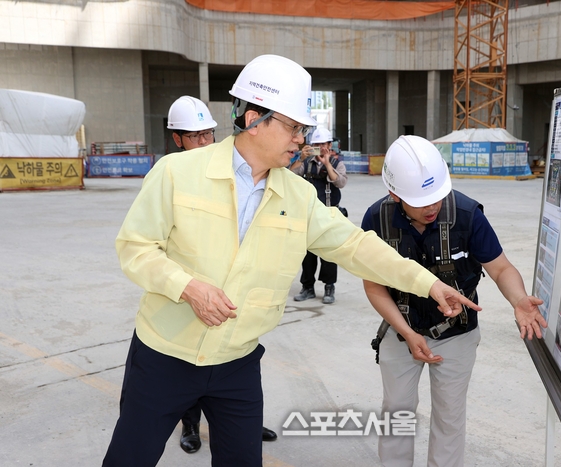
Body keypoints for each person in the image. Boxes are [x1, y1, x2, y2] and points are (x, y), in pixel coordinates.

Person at [103, 54, 476, 467]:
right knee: (129, 458)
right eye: (293, 127)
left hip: (237, 364)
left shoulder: (298, 196)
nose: (301, 139)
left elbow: (356, 246)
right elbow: (135, 248)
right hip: (163, 357)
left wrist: (428, 283)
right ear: (253, 119)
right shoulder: (177, 173)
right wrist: (187, 287)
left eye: (303, 129)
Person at [361, 135, 547, 467]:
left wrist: (518, 298)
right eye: (421, 201)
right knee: (397, 412)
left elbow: (501, 268)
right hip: (401, 330)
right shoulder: (376, 219)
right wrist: (407, 332)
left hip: (457, 334)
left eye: (437, 196)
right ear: (395, 194)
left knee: (449, 416)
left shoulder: (467, 214)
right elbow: (374, 286)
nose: (432, 207)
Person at [166, 96, 278, 454]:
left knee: (238, 367)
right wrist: (187, 287)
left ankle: (242, 423)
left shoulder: (233, 170)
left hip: (234, 301)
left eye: (208, 134)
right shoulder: (172, 176)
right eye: (194, 136)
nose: (204, 142)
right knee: (188, 366)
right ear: (177, 139)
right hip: (189, 299)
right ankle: (190, 425)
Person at [290, 126, 347, 304]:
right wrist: (301, 158)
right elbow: (289, 175)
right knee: (307, 254)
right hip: (309, 215)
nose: (321, 148)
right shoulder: (306, 163)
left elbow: (340, 182)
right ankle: (307, 287)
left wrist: (327, 163)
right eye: (317, 144)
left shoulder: (337, 164)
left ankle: (329, 287)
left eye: (324, 144)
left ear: (330, 145)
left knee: (329, 254)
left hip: (330, 214)